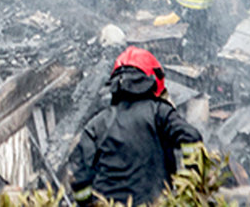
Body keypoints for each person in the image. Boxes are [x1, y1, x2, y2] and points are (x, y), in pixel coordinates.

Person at [69, 46, 203, 205]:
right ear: (153, 79)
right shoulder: (159, 113)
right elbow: (191, 138)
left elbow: (79, 174)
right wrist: (191, 183)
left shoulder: (97, 125)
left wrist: (87, 203)